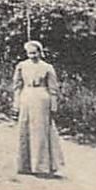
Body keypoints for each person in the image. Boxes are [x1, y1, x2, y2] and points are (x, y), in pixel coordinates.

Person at [13, 40, 65, 177]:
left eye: (35, 53)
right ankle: (25, 165)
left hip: (42, 98)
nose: (32, 56)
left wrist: (54, 105)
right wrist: (16, 102)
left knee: (40, 131)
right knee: (25, 129)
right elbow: (17, 86)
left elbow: (53, 89)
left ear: (40, 52)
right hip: (26, 97)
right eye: (29, 53)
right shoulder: (21, 66)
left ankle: (41, 166)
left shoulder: (47, 67)